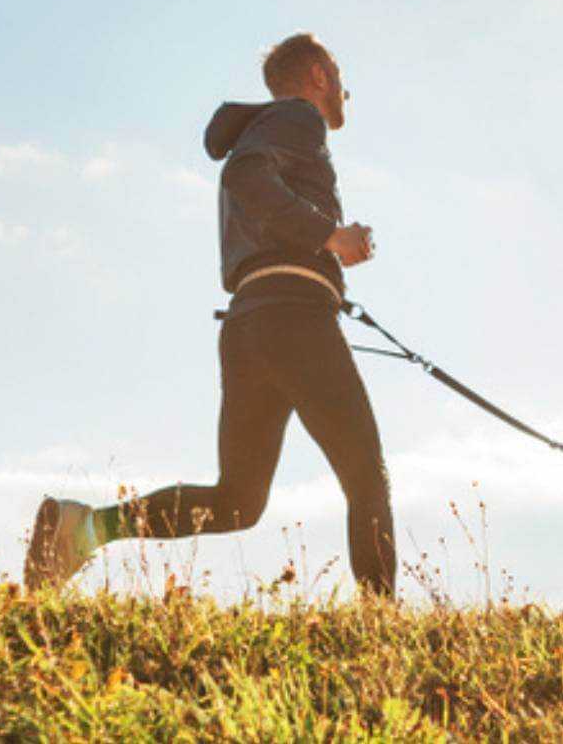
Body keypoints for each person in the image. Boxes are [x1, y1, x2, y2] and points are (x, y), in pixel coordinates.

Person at [24, 33, 397, 596]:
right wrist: (329, 235)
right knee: (366, 475)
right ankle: (381, 628)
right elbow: (244, 176)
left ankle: (85, 527)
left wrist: (331, 248)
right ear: (319, 75)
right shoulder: (299, 118)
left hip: (250, 323)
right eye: (339, 75)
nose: (346, 90)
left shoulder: (269, 129)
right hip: (294, 319)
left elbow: (253, 186)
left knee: (238, 501)